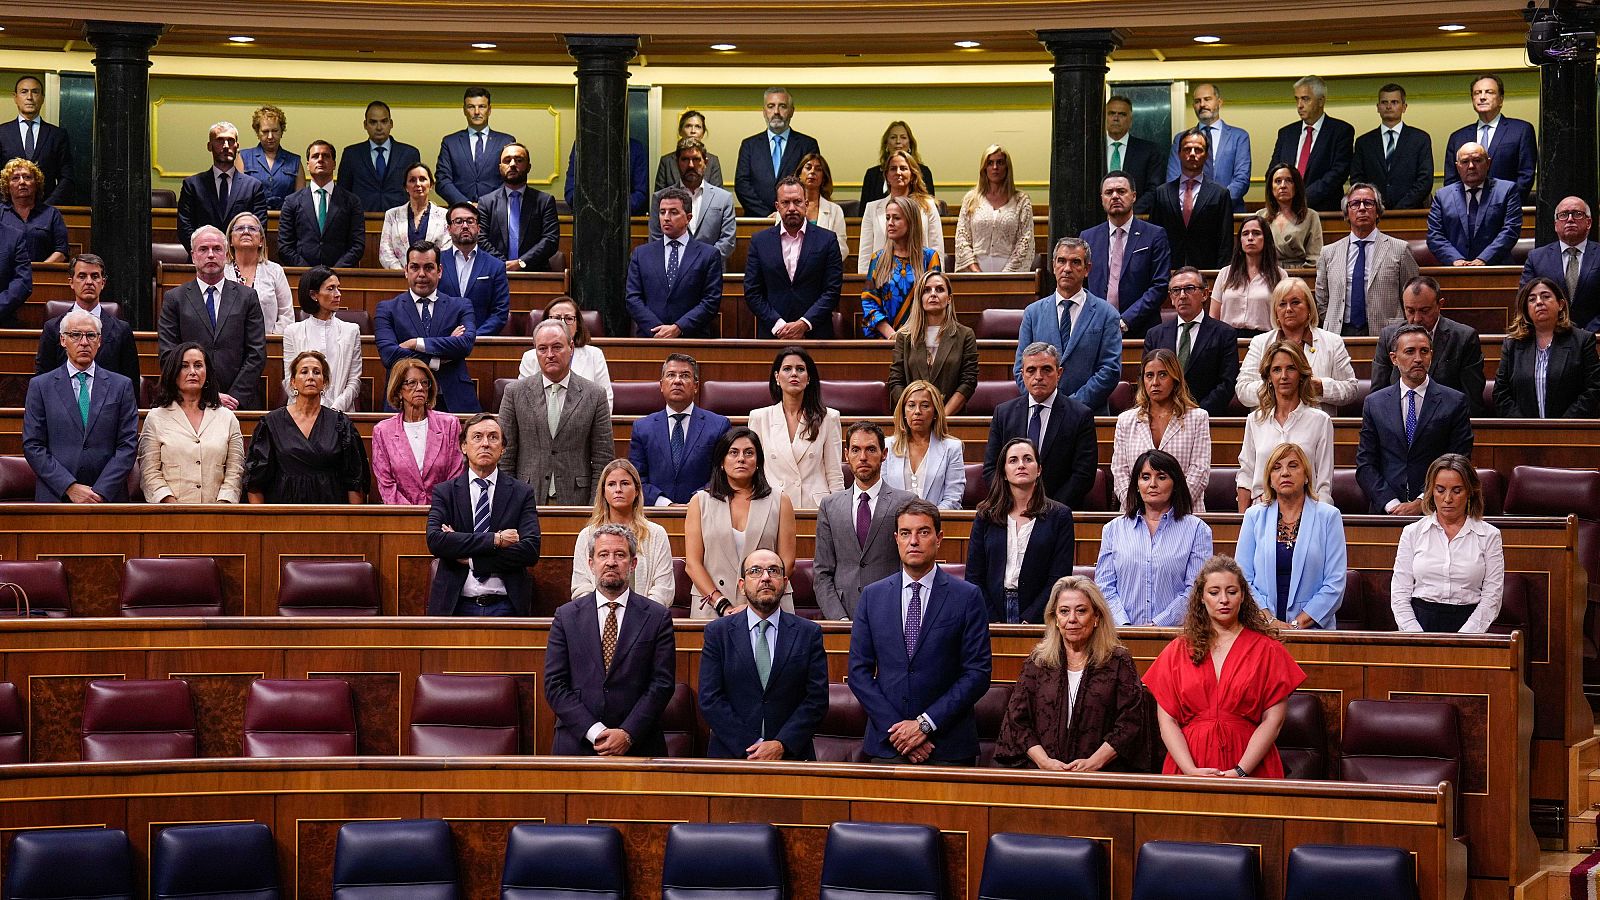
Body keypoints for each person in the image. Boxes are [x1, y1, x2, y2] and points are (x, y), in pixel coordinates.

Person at [849, 499, 992, 765]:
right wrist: (899, 732)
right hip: (888, 744)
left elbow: (977, 673)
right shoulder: (872, 596)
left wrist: (925, 725)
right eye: (905, 533)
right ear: (896, 539)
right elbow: (858, 673)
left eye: (923, 532)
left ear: (939, 538)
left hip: (948, 745)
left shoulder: (967, 596)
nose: (913, 541)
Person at [1143, 555, 1307, 777]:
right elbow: (1167, 723)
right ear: (1201, 598)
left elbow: (1273, 721)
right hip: (1188, 766)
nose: (1224, 600)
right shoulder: (1177, 651)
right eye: (1214, 592)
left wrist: (1240, 771)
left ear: (1243, 596)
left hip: (1251, 767)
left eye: (1231, 592)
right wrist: (1190, 770)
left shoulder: (1268, 650)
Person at [545, 523, 675, 755]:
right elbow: (555, 685)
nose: (611, 562)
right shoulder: (566, 616)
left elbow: (662, 684)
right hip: (578, 743)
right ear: (591, 563)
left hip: (639, 744)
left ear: (633, 564)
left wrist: (627, 733)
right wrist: (595, 731)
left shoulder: (657, 617)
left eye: (620, 555)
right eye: (603, 554)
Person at [995, 575, 1148, 771]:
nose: (1072, 619)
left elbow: (1130, 722)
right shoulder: (1038, 662)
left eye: (1081, 611)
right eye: (1064, 611)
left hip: (1103, 775)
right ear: (1055, 619)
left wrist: (1095, 762)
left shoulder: (1118, 661)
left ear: (1096, 617)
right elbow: (1017, 720)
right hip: (1043, 774)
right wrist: (1044, 762)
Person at [699, 548, 829, 760]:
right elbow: (710, 698)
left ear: (785, 583)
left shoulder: (809, 633)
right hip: (731, 759)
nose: (766, 577)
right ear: (742, 586)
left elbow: (816, 700)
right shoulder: (718, 633)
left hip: (791, 758)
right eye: (755, 571)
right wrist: (752, 746)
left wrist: (781, 744)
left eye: (773, 570)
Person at [425, 412, 541, 617]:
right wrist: (496, 540)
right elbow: (436, 541)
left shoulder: (521, 493)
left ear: (503, 448)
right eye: (477, 437)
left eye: (493, 437)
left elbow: (530, 550)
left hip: (507, 605)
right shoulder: (445, 492)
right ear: (464, 446)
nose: (485, 444)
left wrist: (472, 560)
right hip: (455, 605)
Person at [1357, 325, 1476, 514]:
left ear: (1432, 355)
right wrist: (1391, 504)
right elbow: (1366, 464)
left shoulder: (1454, 402)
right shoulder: (1374, 403)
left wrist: (1422, 502)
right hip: (1387, 512)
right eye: (1410, 351)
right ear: (1394, 358)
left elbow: (1459, 460)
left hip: (1437, 510)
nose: (1418, 358)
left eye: (1424, 351)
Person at [22, 308, 137, 502]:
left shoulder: (121, 386)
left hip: (108, 499)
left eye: (91, 335)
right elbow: (33, 445)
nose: (84, 342)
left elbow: (128, 445)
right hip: (56, 497)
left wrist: (101, 491)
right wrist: (69, 486)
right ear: (62, 340)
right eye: (75, 335)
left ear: (99, 341)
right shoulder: (40, 386)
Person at [684, 427, 798, 619]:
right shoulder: (700, 502)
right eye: (733, 452)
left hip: (767, 605)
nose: (741, 459)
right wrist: (722, 604)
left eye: (749, 453)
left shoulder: (780, 501)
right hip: (713, 607)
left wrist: (752, 605)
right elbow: (693, 564)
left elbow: (787, 562)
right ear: (722, 461)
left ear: (758, 462)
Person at [499, 318, 613, 505]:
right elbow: (505, 456)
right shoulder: (514, 393)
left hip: (577, 500)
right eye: (542, 349)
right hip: (525, 499)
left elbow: (603, 459)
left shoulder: (595, 394)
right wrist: (509, 504)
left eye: (557, 347)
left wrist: (594, 507)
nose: (550, 354)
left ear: (571, 348)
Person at [1098, 449, 1213, 627]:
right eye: (1145, 477)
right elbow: (1104, 587)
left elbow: (1195, 589)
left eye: (1161, 477)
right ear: (1137, 485)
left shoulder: (1197, 530)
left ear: (1175, 484)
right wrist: (1125, 627)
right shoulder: (1113, 530)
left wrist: (1158, 625)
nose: (1152, 484)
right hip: (1120, 634)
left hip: (1176, 634)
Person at [1238, 443, 1347, 629]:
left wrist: (1297, 625)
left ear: (1306, 476)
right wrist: (1269, 621)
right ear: (1270, 479)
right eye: (1276, 468)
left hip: (1313, 631)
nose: (1285, 473)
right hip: (1261, 628)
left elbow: (1335, 583)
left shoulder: (1329, 516)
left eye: (1293, 465)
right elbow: (1242, 579)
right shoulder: (1254, 516)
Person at [967, 438, 1075, 624]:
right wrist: (992, 619)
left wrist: (1031, 618)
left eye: (1028, 459)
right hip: (991, 613)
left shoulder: (1060, 516)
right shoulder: (986, 516)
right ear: (1004, 472)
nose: (1021, 465)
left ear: (1039, 470)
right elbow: (974, 576)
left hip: (1041, 614)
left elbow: (1059, 577)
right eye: (1013, 460)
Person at [1391, 455, 1505, 633]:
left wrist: (1464, 638)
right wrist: (1415, 637)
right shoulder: (1412, 533)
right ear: (1431, 491)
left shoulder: (1489, 535)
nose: (1447, 499)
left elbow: (1492, 597)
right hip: (1419, 625)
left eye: (1457, 491)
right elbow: (1399, 594)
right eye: (1440, 490)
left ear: (1470, 492)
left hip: (1470, 626)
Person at [158, 225, 266, 410]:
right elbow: (169, 354)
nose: (210, 255)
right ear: (193, 256)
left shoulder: (247, 297)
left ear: (226, 254)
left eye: (217, 249)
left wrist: (234, 397)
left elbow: (256, 352)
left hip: (239, 403)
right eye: (203, 249)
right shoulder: (174, 298)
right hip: (190, 401)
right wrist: (207, 395)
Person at [814, 422, 913, 620]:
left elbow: (911, 566)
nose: (863, 457)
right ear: (846, 455)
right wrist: (839, 619)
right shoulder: (829, 505)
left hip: (892, 614)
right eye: (855, 450)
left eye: (871, 449)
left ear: (884, 454)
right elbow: (822, 573)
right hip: (843, 614)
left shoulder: (906, 502)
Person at [245, 350, 369, 504]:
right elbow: (256, 482)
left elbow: (354, 480)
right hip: (283, 511)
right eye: (304, 372)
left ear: (324, 382)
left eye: (316, 372)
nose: (310, 377)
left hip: (330, 511)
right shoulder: (271, 423)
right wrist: (262, 518)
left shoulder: (341, 423)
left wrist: (351, 518)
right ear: (293, 382)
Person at [1013, 237, 1122, 412]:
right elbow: (1021, 367)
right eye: (1061, 261)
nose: (1067, 268)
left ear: (1087, 269)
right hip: (1041, 413)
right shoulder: (1032, 313)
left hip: (1089, 414)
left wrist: (1070, 407)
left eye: (1075, 262)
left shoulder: (1107, 314)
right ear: (1053, 265)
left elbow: (1109, 370)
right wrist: (1046, 402)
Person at [989, 342, 1098, 510]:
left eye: (1046, 369)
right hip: (1011, 510)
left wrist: (1050, 509)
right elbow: (991, 468)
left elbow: (1083, 474)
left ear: (1059, 373)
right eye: (1031, 370)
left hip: (1059, 512)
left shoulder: (1080, 415)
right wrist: (1014, 504)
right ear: (1022, 374)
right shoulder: (1003, 413)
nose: (1038, 376)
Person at [375, 240, 479, 413]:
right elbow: (389, 355)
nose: (422, 274)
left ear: (439, 271)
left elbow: (465, 344)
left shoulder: (461, 306)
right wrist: (437, 358)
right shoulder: (387, 309)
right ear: (406, 271)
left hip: (453, 399)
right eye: (415, 267)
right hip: (404, 399)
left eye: (429, 267)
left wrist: (416, 343)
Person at [137, 342, 245, 504]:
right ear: (173, 372)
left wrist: (222, 506)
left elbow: (235, 472)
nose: (193, 372)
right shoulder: (155, 418)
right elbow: (149, 472)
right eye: (184, 366)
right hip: (170, 513)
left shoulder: (227, 418)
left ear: (207, 372)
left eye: (198, 365)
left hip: (218, 512)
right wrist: (172, 506)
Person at [1237, 277, 1358, 415]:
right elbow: (1242, 389)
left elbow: (1351, 389)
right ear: (1275, 311)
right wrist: (1274, 386)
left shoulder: (1332, 342)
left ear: (1309, 308)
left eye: (1295, 302)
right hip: (1270, 424)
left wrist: (1322, 387)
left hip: (1316, 425)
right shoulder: (1260, 343)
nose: (1288, 309)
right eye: (1282, 304)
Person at [743, 176, 844, 339]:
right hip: (773, 334)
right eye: (785, 203)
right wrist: (779, 326)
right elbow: (752, 292)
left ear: (806, 203)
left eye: (797, 202)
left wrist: (804, 324)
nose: (791, 208)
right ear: (777, 206)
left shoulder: (827, 240)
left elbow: (832, 290)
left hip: (815, 334)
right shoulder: (760, 241)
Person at [1236, 341, 1334, 508]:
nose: (1283, 376)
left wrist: (1316, 519)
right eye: (1276, 370)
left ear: (1301, 374)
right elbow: (1246, 477)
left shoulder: (1320, 421)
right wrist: (1244, 519)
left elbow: (1323, 486)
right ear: (1268, 377)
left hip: (1306, 510)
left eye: (1291, 368)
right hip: (1261, 511)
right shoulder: (1254, 420)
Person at [1316, 183, 1420, 337]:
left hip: (1386, 333)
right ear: (1346, 213)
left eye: (1368, 203)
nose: (1362, 208)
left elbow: (1412, 296)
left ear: (1377, 211)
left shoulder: (1400, 249)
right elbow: (1322, 299)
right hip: (1339, 333)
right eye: (1355, 204)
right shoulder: (1328, 252)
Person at [1371, 275, 1486, 415]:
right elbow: (1377, 396)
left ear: (1440, 304)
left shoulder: (1464, 338)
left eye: (1424, 311)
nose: (1417, 319)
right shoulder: (1388, 336)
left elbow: (1472, 401)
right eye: (1410, 310)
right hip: (1399, 422)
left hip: (1447, 422)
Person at [1111, 351, 1210, 511]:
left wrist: (1172, 509)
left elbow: (1199, 471)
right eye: (1149, 375)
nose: (1155, 382)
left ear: (1175, 379)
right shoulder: (1126, 420)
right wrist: (1140, 508)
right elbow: (1120, 472)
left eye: (1163, 375)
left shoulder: (1197, 418)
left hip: (1184, 513)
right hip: (1137, 514)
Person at [629, 353, 731, 507]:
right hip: (655, 514)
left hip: (705, 511)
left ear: (696, 386)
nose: (677, 381)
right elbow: (636, 478)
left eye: (685, 375)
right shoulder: (642, 428)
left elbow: (722, 474)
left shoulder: (718, 426)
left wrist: (695, 502)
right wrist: (666, 505)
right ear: (661, 385)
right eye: (671, 375)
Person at [748, 346, 843, 509]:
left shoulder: (829, 418)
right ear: (777, 377)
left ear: (808, 378)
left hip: (814, 509)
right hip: (772, 507)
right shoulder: (759, 418)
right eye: (787, 369)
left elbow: (834, 474)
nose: (794, 374)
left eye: (800, 369)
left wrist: (838, 513)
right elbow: (754, 472)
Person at [570, 459, 674, 606]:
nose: (618, 489)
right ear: (603, 492)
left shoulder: (656, 534)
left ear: (637, 490)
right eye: (611, 484)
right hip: (597, 616)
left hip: (646, 617)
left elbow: (664, 590)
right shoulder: (587, 536)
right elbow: (581, 588)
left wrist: (642, 614)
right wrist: (603, 613)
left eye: (625, 483)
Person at [1494, 277, 1600, 418]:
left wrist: (1563, 425)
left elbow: (1594, 389)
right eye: (1532, 299)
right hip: (1523, 430)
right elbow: (1501, 393)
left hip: (1571, 428)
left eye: (1546, 296)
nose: (1539, 302)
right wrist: (1523, 425)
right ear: (1526, 309)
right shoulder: (1512, 344)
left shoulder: (1582, 341)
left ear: (1561, 304)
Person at [1082, 171, 1170, 338]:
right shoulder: (1088, 237)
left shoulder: (1154, 235)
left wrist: (1125, 321)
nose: (1115, 196)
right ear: (1102, 199)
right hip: (1097, 329)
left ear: (1134, 196)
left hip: (1142, 330)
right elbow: (1082, 285)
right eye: (1109, 192)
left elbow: (1159, 285)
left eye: (1121, 191)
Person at [628, 186, 723, 339]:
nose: (666, 218)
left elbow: (710, 301)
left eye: (673, 212)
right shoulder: (641, 254)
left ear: (688, 218)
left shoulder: (708, 255)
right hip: (651, 338)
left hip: (692, 338)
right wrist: (658, 330)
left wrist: (679, 327)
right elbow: (633, 298)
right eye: (662, 212)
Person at [1147, 267, 1240, 416]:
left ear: (1204, 294)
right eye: (1176, 290)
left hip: (1207, 417)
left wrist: (1197, 414)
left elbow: (1227, 383)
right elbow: (1146, 378)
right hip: (1163, 417)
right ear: (1171, 297)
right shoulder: (1155, 335)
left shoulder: (1224, 334)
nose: (1182, 295)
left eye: (1189, 289)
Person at [371, 359, 464, 505]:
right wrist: (411, 514)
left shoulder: (449, 425)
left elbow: (455, 476)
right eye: (412, 383)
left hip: (443, 513)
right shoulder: (383, 431)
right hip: (401, 515)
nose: (420, 388)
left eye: (424, 383)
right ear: (398, 390)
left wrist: (438, 512)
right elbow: (386, 485)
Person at [35, 253, 137, 385]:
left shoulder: (122, 330)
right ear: (71, 282)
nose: (89, 282)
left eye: (95, 276)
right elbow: (43, 381)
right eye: (82, 276)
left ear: (103, 283)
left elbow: (130, 383)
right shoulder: (52, 328)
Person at [888, 270, 978, 415]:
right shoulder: (904, 337)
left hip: (950, 418)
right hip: (913, 419)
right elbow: (896, 381)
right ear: (920, 298)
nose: (933, 294)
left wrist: (942, 417)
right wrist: (914, 412)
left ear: (949, 299)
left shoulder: (965, 335)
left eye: (940, 289)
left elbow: (968, 382)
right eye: (926, 290)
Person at [1147, 129, 1233, 270]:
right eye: (1187, 149)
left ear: (1206, 155)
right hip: (1168, 269)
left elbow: (1225, 242)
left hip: (1207, 270)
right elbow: (1153, 237)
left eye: (1198, 150)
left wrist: (1220, 274)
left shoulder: (1220, 194)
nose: (1192, 154)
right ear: (1179, 153)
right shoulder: (1162, 193)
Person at [1426, 141, 1522, 267]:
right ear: (1458, 167)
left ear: (1488, 163)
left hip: (1495, 268)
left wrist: (1484, 259)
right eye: (1465, 162)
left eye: (1477, 160)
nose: (1471, 166)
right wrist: (1455, 259)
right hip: (1454, 269)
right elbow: (1435, 236)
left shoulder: (1507, 190)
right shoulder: (1442, 196)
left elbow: (1511, 230)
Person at [281, 266, 362, 413]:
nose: (338, 294)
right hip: (302, 412)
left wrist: (335, 409)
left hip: (341, 413)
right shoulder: (292, 332)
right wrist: (310, 407)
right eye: (331, 289)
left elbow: (354, 381)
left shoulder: (351, 331)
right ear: (314, 295)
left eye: (338, 288)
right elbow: (290, 380)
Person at [1268, 75, 1355, 212]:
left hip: (1323, 210)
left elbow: (1338, 173)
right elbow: (1273, 171)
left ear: (1321, 101)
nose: (1299, 105)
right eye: (1297, 99)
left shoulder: (1341, 131)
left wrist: (1300, 199)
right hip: (1285, 210)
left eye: (1305, 99)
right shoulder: (1286, 133)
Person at [176, 121, 267, 250]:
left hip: (241, 256)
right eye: (220, 140)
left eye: (231, 141)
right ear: (209, 146)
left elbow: (259, 228)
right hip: (203, 257)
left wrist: (235, 254)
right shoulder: (192, 185)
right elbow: (185, 227)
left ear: (237, 146)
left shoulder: (253, 187)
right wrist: (205, 252)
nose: (226, 146)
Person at [1443, 73, 1537, 197]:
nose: (1482, 97)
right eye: (1477, 93)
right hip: (1466, 206)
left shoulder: (1521, 130)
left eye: (1489, 92)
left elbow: (1526, 175)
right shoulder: (1457, 137)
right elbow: (1451, 181)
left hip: (1507, 205)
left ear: (1501, 99)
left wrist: (1507, 202)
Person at [275, 140, 365, 269]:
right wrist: (309, 272)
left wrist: (335, 272)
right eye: (315, 156)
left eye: (326, 156)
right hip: (302, 274)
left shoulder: (352, 201)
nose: (321, 159)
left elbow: (357, 245)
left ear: (334, 164)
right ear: (308, 165)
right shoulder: (291, 202)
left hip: (341, 274)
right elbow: (285, 246)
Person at [861, 195, 941, 337]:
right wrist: (892, 335)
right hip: (886, 338)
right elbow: (869, 302)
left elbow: (934, 301)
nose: (890, 223)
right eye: (887, 218)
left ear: (911, 222)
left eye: (896, 218)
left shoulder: (929, 257)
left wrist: (912, 336)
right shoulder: (878, 258)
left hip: (920, 337)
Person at [734, 87, 820, 218]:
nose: (776, 112)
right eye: (771, 106)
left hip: (795, 218)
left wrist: (785, 212)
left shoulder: (807, 144)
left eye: (782, 106)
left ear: (791, 111)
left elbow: (811, 185)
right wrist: (767, 215)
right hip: (757, 220)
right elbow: (742, 185)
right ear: (764, 112)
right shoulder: (749, 145)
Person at [646, 139, 736, 263]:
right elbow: (656, 239)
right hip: (673, 268)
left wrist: (701, 263)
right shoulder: (660, 198)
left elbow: (728, 241)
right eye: (685, 159)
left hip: (711, 269)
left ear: (705, 162)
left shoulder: (723, 198)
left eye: (696, 159)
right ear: (677, 163)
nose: (691, 165)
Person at [857, 149, 944, 276]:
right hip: (881, 278)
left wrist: (935, 280)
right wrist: (865, 280)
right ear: (887, 176)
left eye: (903, 168)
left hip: (920, 276)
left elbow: (937, 248)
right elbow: (865, 254)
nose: (898, 172)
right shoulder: (872, 208)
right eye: (893, 169)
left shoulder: (927, 205)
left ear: (912, 174)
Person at [1167, 82, 1251, 211]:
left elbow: (1242, 179)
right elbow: (1173, 178)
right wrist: (1195, 206)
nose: (1202, 104)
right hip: (1190, 213)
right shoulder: (1180, 139)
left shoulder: (1239, 137)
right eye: (1197, 101)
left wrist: (1217, 203)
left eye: (1207, 99)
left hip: (1229, 211)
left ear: (1219, 102)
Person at [518, 296, 613, 410]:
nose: (562, 323)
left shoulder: (594, 355)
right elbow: (523, 401)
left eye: (568, 318)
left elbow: (605, 402)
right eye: (556, 318)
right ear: (545, 323)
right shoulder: (530, 357)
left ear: (577, 324)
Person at [477, 143, 560, 273]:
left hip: (534, 274)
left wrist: (521, 263)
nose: (512, 164)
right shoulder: (486, 202)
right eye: (507, 160)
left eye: (519, 160)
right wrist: (503, 264)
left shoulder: (544, 201)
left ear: (528, 167)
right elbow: (480, 239)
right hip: (495, 273)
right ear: (500, 167)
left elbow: (551, 240)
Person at [1350, 83, 1435, 210]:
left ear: (1404, 107)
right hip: (1373, 212)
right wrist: (1374, 205)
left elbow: (1425, 180)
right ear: (1378, 107)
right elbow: (1357, 180)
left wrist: (1401, 208)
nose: (1389, 106)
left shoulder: (1420, 139)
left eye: (1394, 102)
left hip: (1411, 212)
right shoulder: (1364, 142)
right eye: (1384, 102)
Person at [883, 380, 965, 510]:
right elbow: (883, 497)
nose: (917, 411)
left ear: (935, 412)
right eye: (911, 405)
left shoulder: (952, 448)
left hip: (937, 520)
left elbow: (953, 499)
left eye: (925, 406)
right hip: (895, 521)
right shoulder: (887, 446)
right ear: (903, 412)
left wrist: (928, 519)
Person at [954, 144, 1035, 273]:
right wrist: (975, 271)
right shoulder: (971, 199)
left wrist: (1006, 275)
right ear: (984, 168)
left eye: (1000, 162)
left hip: (1011, 274)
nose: (995, 167)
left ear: (1007, 167)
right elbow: (961, 237)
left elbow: (1025, 239)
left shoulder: (1021, 201)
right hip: (974, 272)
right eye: (990, 163)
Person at [1522, 196, 1600, 330]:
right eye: (1563, 215)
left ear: (1588, 222)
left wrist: (1587, 334)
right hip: (1551, 334)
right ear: (1556, 225)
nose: (1570, 219)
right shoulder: (1536, 258)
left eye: (1577, 214)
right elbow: (1525, 300)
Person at [438, 201, 511, 337]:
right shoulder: (436, 263)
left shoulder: (495, 266)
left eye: (470, 221)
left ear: (478, 228)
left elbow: (500, 312)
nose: (465, 226)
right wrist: (446, 338)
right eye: (458, 221)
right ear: (449, 229)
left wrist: (474, 336)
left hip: (480, 341)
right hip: (442, 341)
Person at [337, 100, 422, 213]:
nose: (379, 127)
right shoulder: (351, 154)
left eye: (384, 121)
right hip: (362, 217)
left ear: (391, 123)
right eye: (373, 122)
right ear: (365, 125)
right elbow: (343, 193)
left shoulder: (409, 154)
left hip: (400, 218)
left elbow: (417, 190)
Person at [436, 87, 515, 207]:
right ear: (464, 110)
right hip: (460, 211)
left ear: (489, 110)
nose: (477, 112)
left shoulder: (506, 141)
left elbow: (511, 178)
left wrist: (486, 204)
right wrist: (466, 205)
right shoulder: (450, 142)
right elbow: (442, 180)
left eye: (482, 106)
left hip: (497, 210)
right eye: (471, 107)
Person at [1210, 213, 1287, 338]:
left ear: (1266, 238)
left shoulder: (1280, 275)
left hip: (1265, 338)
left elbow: (1283, 315)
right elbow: (1213, 316)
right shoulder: (1225, 273)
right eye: (1245, 234)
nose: (1250, 238)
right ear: (1240, 240)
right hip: (1227, 339)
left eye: (1256, 233)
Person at [0, 76, 73, 204]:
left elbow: (67, 177)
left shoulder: (57, 135)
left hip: (47, 208)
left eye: (35, 92)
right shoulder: (2, 133)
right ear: (15, 97)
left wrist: (47, 207)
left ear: (42, 98)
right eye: (24, 92)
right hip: (7, 209)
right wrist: (6, 207)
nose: (29, 97)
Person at [223, 211, 294, 335]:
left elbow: (286, 315)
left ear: (261, 240)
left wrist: (270, 338)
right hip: (227, 342)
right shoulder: (221, 271)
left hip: (267, 341)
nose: (246, 232)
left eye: (252, 228)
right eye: (239, 228)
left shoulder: (275, 270)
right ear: (231, 240)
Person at [378, 162, 449, 270]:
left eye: (422, 179)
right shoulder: (392, 215)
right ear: (406, 187)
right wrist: (405, 273)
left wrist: (429, 272)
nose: (418, 184)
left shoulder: (444, 215)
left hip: (433, 276)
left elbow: (447, 250)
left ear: (431, 185)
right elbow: (385, 252)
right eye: (412, 180)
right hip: (399, 276)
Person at [234, 105, 301, 211]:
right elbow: (238, 197)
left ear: (281, 131)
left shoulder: (295, 161)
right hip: (253, 218)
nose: (270, 136)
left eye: (275, 131)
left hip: (286, 218)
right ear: (258, 133)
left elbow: (300, 202)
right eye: (265, 131)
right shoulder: (243, 157)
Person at [562, 137, 650, 217]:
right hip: (586, 218)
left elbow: (640, 193)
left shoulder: (635, 148)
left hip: (622, 219)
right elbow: (570, 191)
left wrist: (614, 207)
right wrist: (592, 206)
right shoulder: (581, 145)